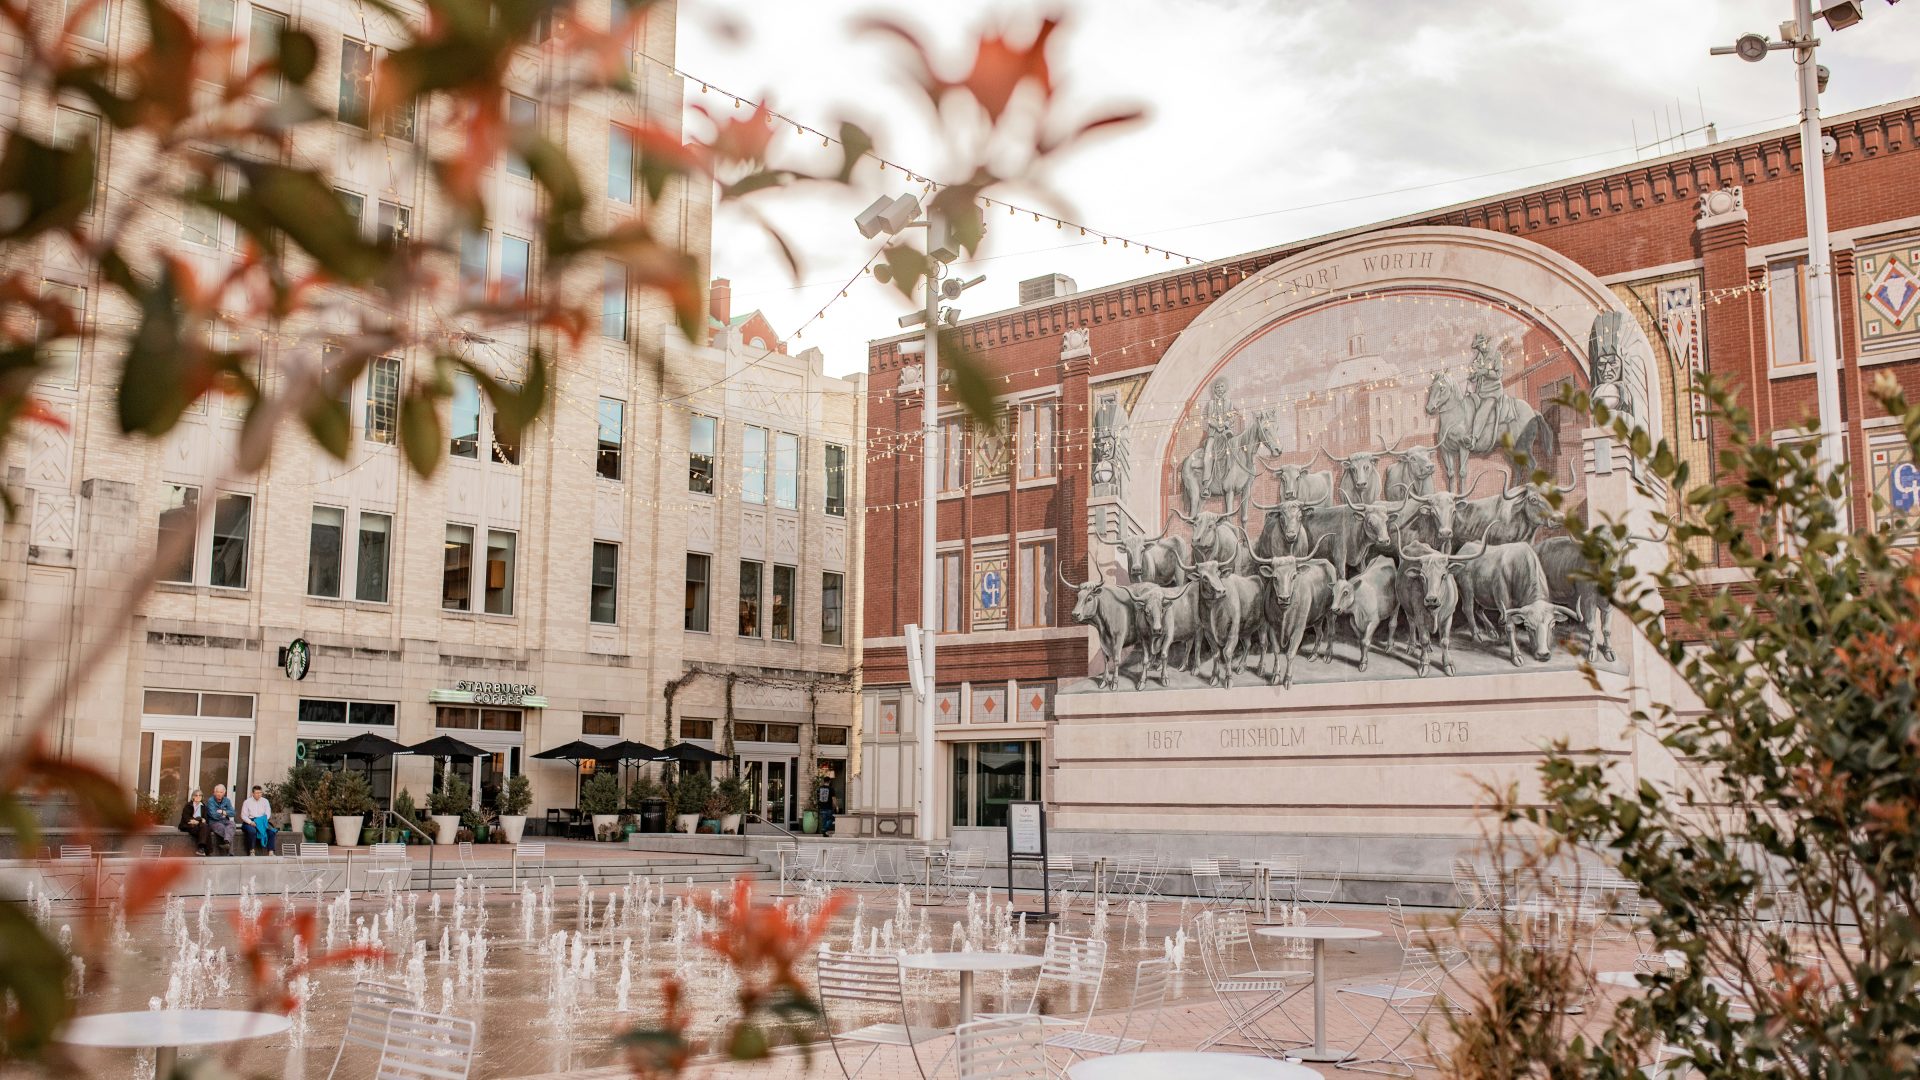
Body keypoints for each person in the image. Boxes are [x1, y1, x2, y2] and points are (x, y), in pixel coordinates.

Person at [1200, 377, 1237, 496]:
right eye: (1217, 387)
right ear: (1214, 390)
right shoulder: (1211, 404)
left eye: (1221, 386)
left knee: (1236, 450)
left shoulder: (1229, 402)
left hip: (1226, 433)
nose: (1219, 389)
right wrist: (1216, 425)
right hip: (1213, 434)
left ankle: (1235, 479)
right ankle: (1206, 485)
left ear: (1225, 388)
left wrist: (1226, 424)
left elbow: (1232, 417)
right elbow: (1208, 418)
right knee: (1207, 456)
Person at [240, 784, 276, 855]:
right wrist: (250, 822)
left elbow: (268, 813)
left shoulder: (265, 801)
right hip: (250, 821)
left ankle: (271, 851)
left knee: (271, 831)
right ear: (253, 793)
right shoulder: (247, 802)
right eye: (257, 793)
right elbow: (243, 816)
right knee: (252, 831)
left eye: (260, 793)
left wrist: (261, 821)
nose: (259, 794)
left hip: (262, 821)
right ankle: (252, 851)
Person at [178, 789, 213, 855]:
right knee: (205, 829)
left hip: (199, 825)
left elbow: (205, 819)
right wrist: (198, 820)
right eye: (196, 795)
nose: (198, 797)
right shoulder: (188, 805)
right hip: (188, 825)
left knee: (205, 827)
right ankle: (207, 850)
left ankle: (201, 848)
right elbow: (186, 818)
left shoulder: (203, 806)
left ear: (202, 797)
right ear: (193, 797)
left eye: (200, 795)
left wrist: (198, 820)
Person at [205, 783, 235, 856]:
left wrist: (223, 812)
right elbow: (213, 815)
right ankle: (230, 852)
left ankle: (226, 842)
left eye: (221, 792)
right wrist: (224, 814)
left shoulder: (227, 800)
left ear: (224, 793)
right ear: (214, 792)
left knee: (232, 824)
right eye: (217, 792)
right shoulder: (211, 801)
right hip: (214, 822)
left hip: (225, 821)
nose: (219, 794)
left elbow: (233, 813)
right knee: (223, 828)